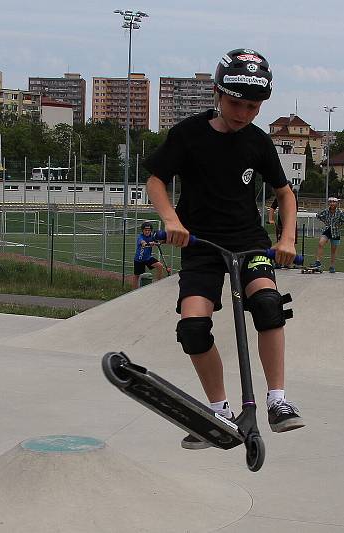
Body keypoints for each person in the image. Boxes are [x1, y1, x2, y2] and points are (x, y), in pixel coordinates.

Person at [144, 48, 304, 450]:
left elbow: (285, 194)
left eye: (253, 107)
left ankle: (277, 401)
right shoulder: (188, 134)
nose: (244, 113)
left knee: (268, 305)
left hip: (250, 244)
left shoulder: (257, 141)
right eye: (236, 104)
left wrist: (287, 238)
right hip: (201, 246)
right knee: (193, 328)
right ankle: (218, 412)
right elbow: (156, 181)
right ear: (217, 93)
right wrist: (170, 220)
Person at [310, 197, 344, 273]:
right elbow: (318, 215)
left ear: (336, 203)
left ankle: (332, 266)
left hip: (336, 232)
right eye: (330, 202)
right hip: (327, 230)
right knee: (321, 243)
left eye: (334, 202)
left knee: (333, 250)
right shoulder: (326, 211)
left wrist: (340, 224)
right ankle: (318, 262)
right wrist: (325, 222)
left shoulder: (340, 212)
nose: (332, 203)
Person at [133, 222, 167, 288]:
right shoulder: (140, 237)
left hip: (148, 258)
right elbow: (143, 243)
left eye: (149, 230)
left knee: (159, 266)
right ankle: (134, 290)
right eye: (145, 230)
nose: (147, 231)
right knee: (137, 275)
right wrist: (149, 243)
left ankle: (158, 284)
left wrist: (161, 241)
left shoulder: (152, 236)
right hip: (139, 259)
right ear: (142, 230)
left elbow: (158, 241)